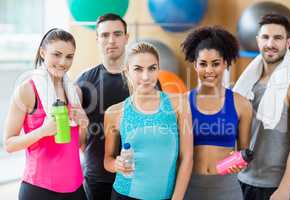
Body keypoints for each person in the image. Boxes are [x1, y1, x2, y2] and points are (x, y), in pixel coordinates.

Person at [3, 28, 88, 200]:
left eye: (69, 56)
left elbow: (79, 144)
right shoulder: (27, 90)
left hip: (76, 188)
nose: (63, 62)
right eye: (56, 54)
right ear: (43, 52)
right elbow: (9, 144)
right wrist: (42, 131)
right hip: (39, 189)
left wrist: (84, 125)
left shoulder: (75, 92)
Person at [103, 42, 193, 200]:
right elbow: (107, 160)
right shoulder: (114, 112)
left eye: (152, 68)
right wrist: (115, 165)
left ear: (158, 69)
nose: (146, 76)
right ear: (127, 72)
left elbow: (187, 158)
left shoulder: (179, 104)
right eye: (138, 69)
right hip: (124, 195)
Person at [181, 26, 253, 200]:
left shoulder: (241, 104)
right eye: (203, 64)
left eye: (216, 63)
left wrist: (239, 162)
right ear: (195, 65)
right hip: (189, 187)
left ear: (226, 63)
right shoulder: (181, 102)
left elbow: (244, 151)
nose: (209, 71)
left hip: (227, 189)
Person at [234, 13, 290, 200]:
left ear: (288, 43)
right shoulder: (247, 82)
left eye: (277, 38)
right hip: (244, 179)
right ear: (257, 41)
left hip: (278, 187)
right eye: (265, 37)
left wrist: (285, 189)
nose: (270, 43)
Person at [76, 13, 130, 200]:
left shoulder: (144, 80)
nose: (111, 40)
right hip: (97, 177)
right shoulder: (84, 81)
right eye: (105, 35)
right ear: (97, 39)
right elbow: (79, 133)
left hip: (135, 176)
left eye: (117, 34)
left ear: (126, 37)